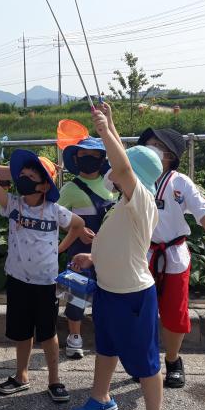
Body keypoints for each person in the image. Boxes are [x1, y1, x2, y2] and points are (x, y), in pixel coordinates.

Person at [69, 103, 168, 410]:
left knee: (144, 360)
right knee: (107, 348)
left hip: (133, 296)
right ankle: (101, 397)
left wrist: (106, 130)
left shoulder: (140, 200)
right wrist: (91, 256)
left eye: (115, 166)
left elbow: (124, 167)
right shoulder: (120, 204)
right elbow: (116, 243)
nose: (109, 169)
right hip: (109, 291)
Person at [0, 145, 83, 402]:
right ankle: (21, 375)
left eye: (30, 177)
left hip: (46, 282)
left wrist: (58, 249)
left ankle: (54, 380)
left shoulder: (55, 211)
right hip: (18, 281)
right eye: (21, 176)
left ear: (45, 186)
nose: (22, 180)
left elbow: (78, 225)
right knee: (22, 332)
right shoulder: (13, 205)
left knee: (48, 334)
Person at [138, 127, 205, 388]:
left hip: (173, 257)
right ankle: (145, 360)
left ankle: (173, 360)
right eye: (149, 143)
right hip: (140, 255)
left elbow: (203, 212)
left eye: (158, 145)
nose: (152, 148)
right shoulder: (134, 178)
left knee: (174, 313)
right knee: (141, 313)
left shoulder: (180, 182)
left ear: (170, 155)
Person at [58, 137, 115, 359]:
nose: (88, 159)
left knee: (109, 293)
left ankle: (108, 336)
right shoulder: (70, 188)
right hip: (78, 250)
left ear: (102, 160)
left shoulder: (111, 184)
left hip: (108, 249)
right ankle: (74, 337)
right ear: (75, 158)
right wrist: (77, 230)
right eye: (83, 155)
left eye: (94, 156)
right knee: (75, 295)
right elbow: (58, 219)